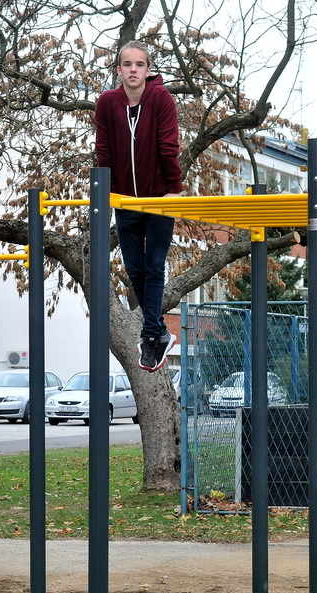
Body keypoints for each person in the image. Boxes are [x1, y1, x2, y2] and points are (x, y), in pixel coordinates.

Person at [95, 40, 184, 372]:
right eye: (127, 64)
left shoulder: (161, 98)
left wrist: (174, 189)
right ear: (119, 69)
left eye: (139, 64)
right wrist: (107, 192)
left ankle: (150, 336)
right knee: (134, 270)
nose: (133, 70)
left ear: (148, 70)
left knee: (154, 266)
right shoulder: (107, 103)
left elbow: (168, 145)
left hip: (159, 198)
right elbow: (104, 148)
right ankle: (159, 332)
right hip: (125, 200)